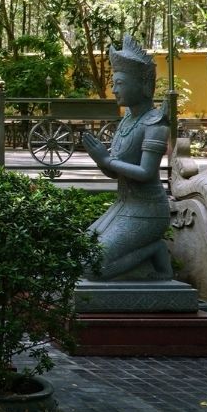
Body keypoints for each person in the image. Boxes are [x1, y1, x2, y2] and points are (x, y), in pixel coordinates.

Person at [80, 35, 172, 281]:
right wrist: (101, 160)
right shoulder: (127, 121)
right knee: (78, 255)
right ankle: (148, 257)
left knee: (93, 267)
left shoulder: (155, 123)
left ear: (142, 86)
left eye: (120, 83)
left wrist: (106, 160)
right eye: (114, 83)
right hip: (124, 205)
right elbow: (116, 170)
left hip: (149, 210)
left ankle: (154, 250)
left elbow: (145, 173)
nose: (114, 89)